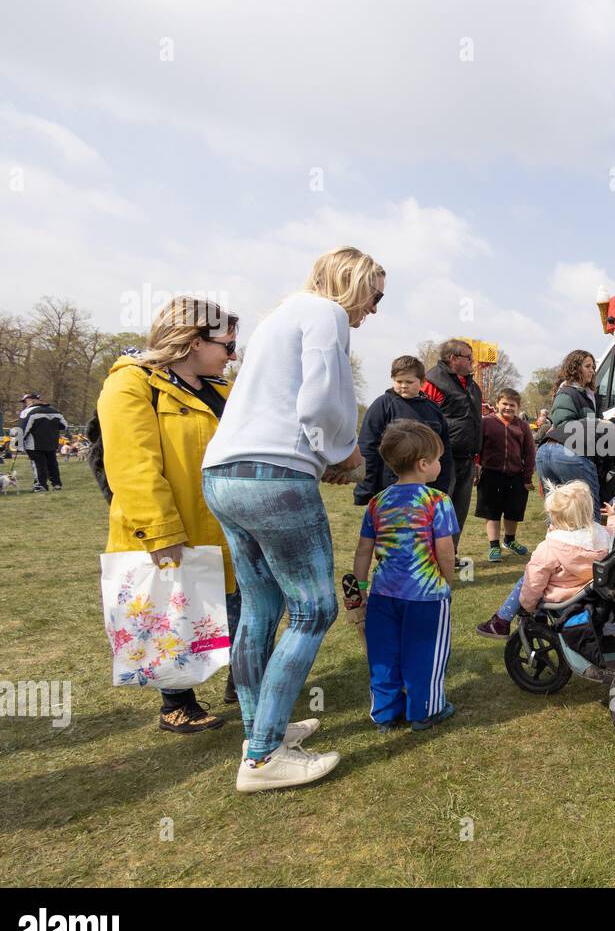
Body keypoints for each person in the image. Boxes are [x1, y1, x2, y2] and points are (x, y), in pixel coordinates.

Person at [203, 245, 383, 793]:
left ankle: (262, 731)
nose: (372, 311)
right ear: (352, 283)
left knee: (261, 607)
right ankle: (262, 757)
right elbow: (324, 401)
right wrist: (345, 454)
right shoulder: (325, 314)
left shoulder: (279, 317)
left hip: (223, 473)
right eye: (374, 297)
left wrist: (320, 454)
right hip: (274, 478)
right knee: (314, 608)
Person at [97, 296, 242, 733]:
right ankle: (176, 704)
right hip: (171, 528)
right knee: (169, 616)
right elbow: (131, 463)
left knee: (232, 609)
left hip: (225, 524)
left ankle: (243, 681)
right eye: (227, 346)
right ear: (193, 341)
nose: (232, 356)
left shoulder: (222, 391)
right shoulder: (131, 385)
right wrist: (159, 528)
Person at [353, 419, 458, 732]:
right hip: (426, 597)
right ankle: (425, 711)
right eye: (438, 459)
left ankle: (384, 714)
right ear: (424, 464)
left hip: (383, 595)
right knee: (424, 654)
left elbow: (362, 552)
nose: (440, 464)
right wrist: (447, 582)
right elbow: (446, 552)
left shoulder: (377, 502)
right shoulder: (438, 502)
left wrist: (360, 587)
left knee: (384, 656)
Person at [474, 481, 615, 649]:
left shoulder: (552, 546)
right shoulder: (601, 536)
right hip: (590, 593)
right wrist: (613, 517)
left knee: (526, 579)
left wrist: (528, 606)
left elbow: (534, 581)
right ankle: (526, 618)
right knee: (542, 578)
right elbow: (614, 531)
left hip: (561, 597)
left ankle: (501, 621)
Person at [355, 354, 451, 504]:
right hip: (389, 487)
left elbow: (444, 452)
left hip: (426, 490)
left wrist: (442, 488)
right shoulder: (383, 405)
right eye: (399, 381)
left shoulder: (433, 410)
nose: (403, 385)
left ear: (423, 382)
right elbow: (368, 446)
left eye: (409, 381)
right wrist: (365, 488)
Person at [423, 339, 484, 563]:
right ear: (453, 358)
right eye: (469, 357)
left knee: (459, 510)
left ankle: (450, 554)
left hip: (467, 459)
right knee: (438, 510)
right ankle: (429, 555)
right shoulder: (433, 382)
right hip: (442, 459)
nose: (473, 362)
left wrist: (477, 457)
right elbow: (424, 420)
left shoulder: (472, 386)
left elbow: (476, 423)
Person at [536, 349, 603, 515]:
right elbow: (565, 425)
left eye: (593, 367)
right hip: (565, 452)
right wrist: (598, 423)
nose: (592, 370)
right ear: (575, 368)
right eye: (587, 366)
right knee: (585, 512)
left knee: (560, 513)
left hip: (553, 453)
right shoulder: (567, 392)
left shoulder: (587, 395)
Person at [477, 387, 535, 562]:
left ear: (517, 407)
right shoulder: (486, 422)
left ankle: (510, 540)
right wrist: (476, 467)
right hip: (491, 474)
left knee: (513, 511)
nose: (508, 408)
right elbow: (477, 447)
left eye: (512, 405)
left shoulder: (523, 426)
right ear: (497, 404)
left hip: (515, 475)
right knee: (492, 511)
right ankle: (494, 546)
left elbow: (530, 453)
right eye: (504, 404)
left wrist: (527, 477)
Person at [18, 392, 67, 492]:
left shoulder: (28, 412)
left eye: (25, 401)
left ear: (33, 400)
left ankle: (41, 485)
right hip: (51, 443)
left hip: (34, 444)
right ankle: (57, 484)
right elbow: (64, 426)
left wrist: (18, 441)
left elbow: (24, 428)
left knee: (38, 465)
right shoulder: (55, 411)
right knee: (52, 463)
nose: (25, 404)